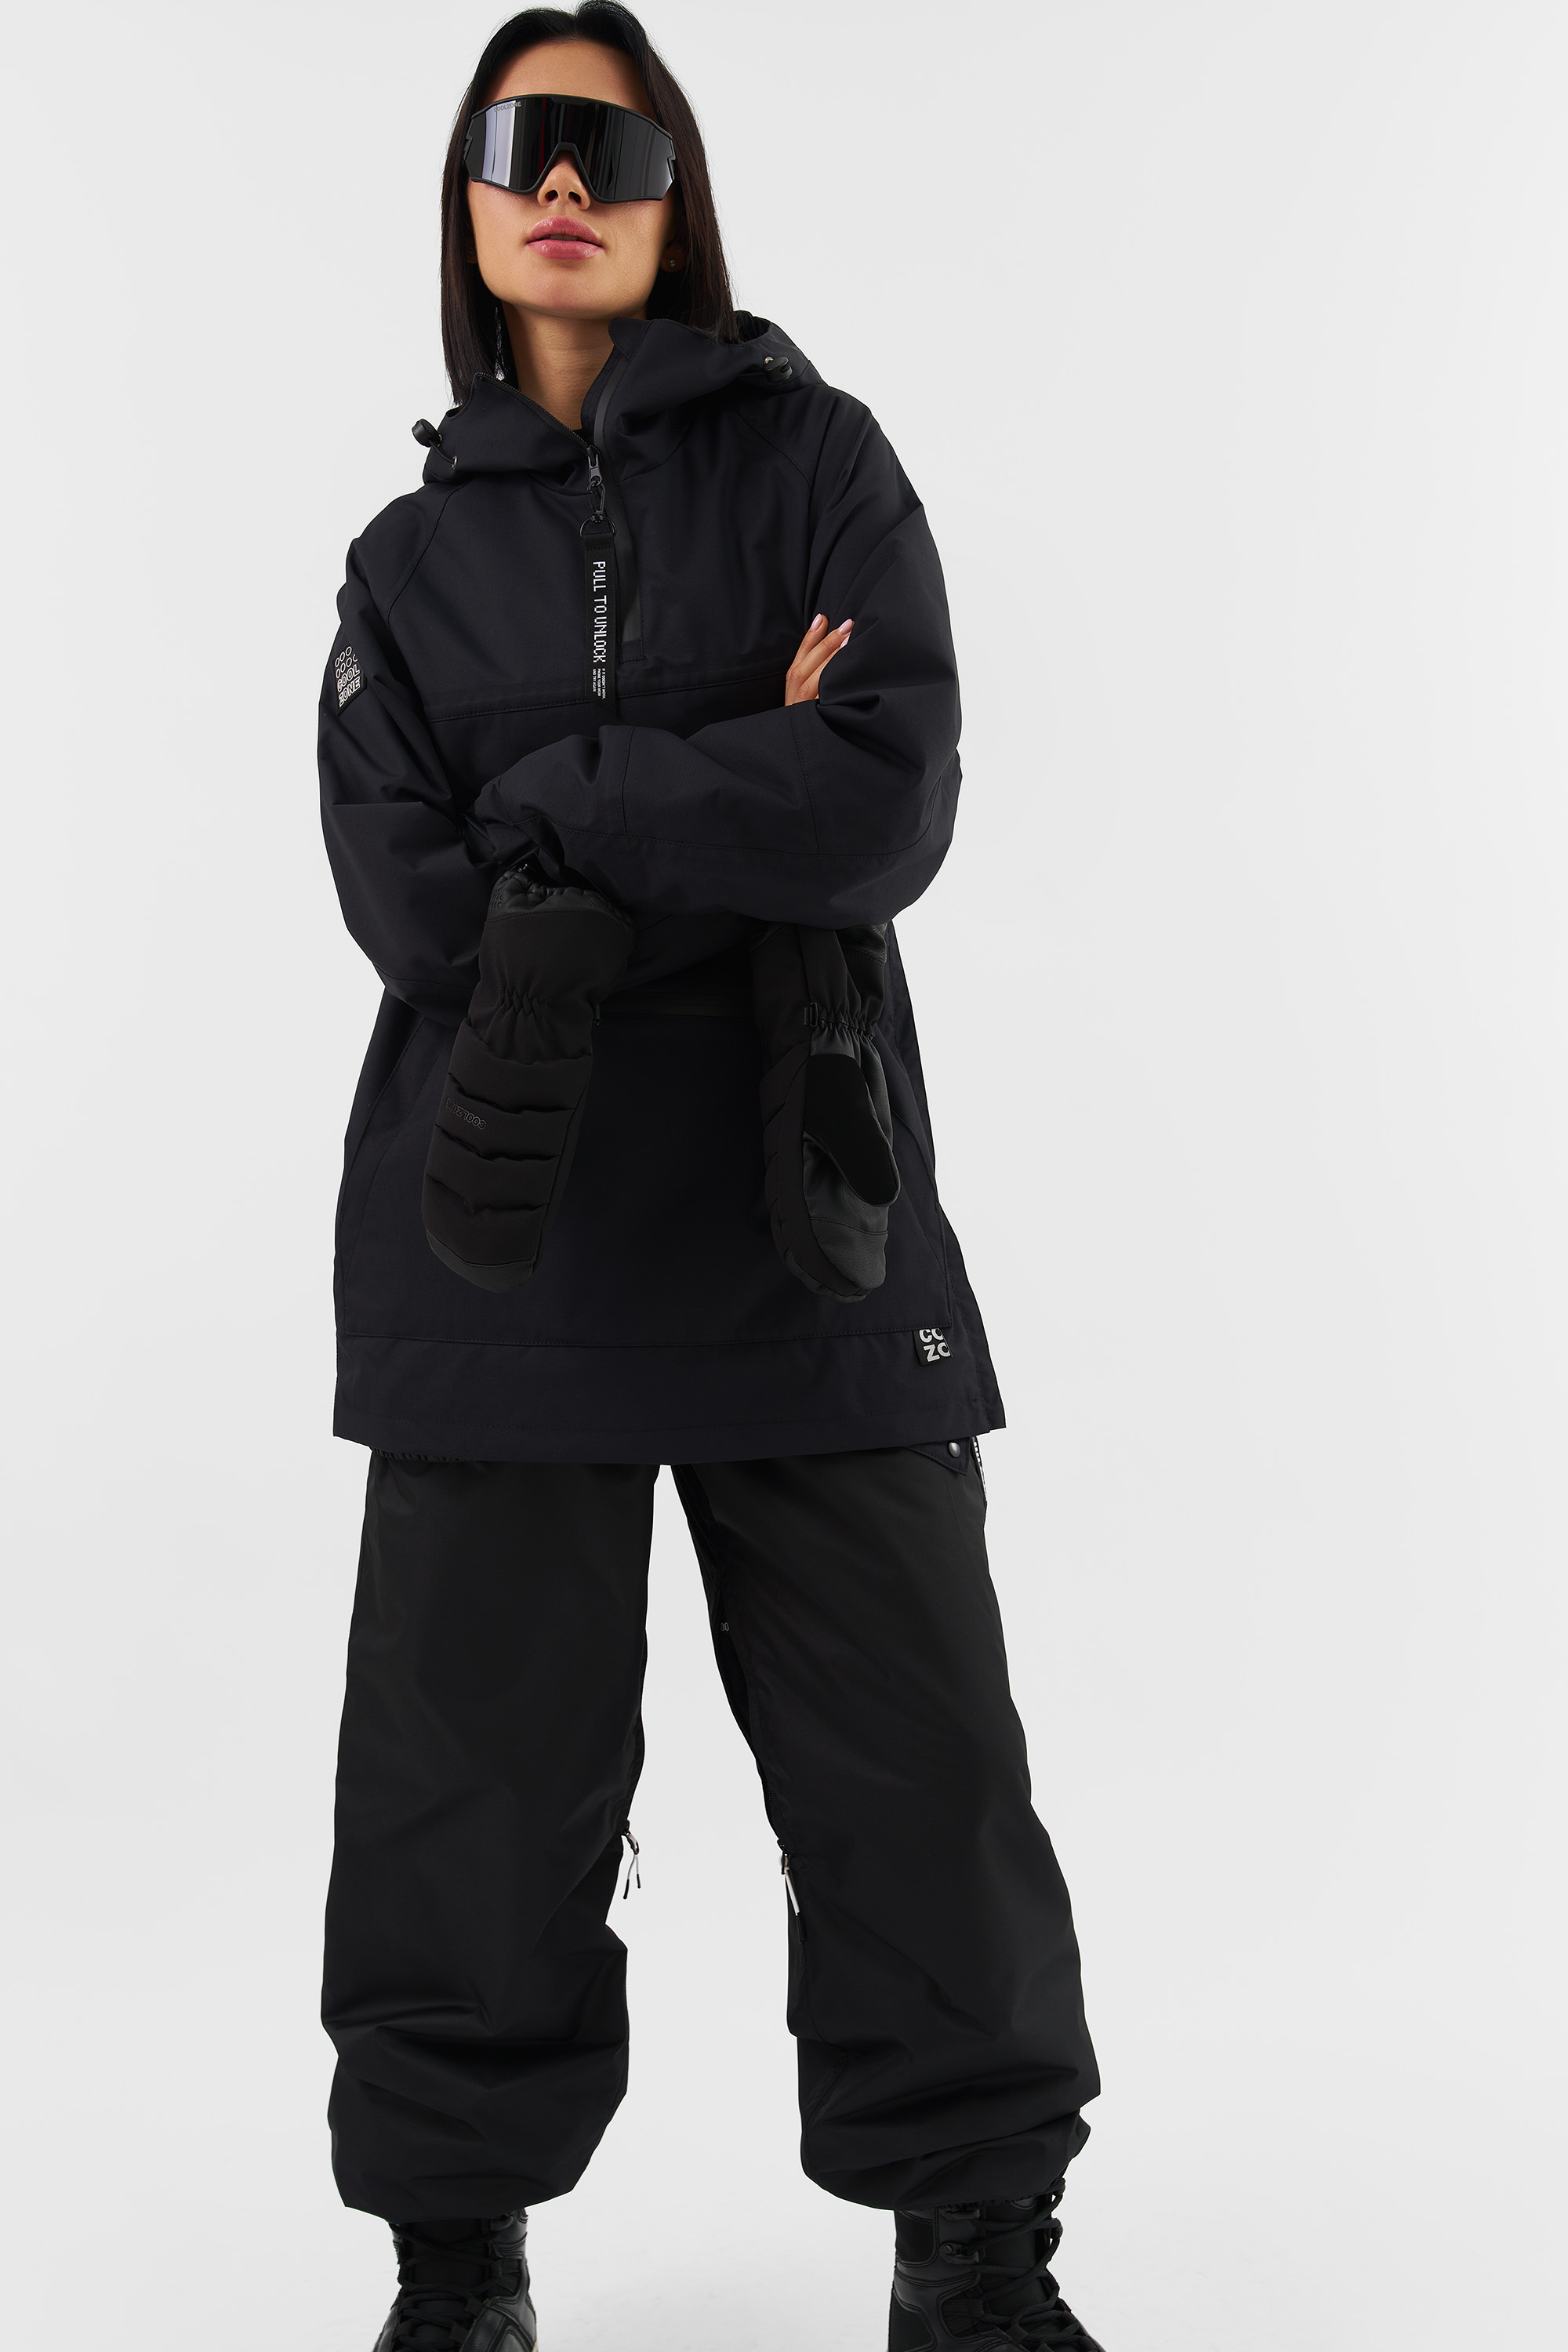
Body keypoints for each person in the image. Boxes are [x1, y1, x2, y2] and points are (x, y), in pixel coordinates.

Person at [318, 8, 1105, 2346]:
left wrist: (569, 803)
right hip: (498, 1240)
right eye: (521, 137)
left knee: (918, 1766)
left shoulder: (821, 460)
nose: (567, 178)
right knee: (470, 1795)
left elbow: (885, 802)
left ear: (680, 189)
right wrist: (722, 773)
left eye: (615, 139)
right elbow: (411, 911)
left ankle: (978, 2265)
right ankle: (455, 2271)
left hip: (808, 1218)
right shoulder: (401, 563)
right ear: (467, 196)